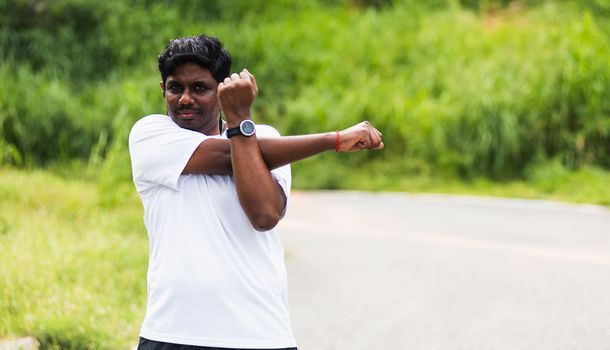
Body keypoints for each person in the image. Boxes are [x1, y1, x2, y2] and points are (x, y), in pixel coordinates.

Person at [128, 34, 384, 350]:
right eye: (174, 87)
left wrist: (238, 122)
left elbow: (264, 214)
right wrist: (333, 139)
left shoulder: (265, 136)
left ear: (224, 91)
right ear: (163, 90)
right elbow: (227, 155)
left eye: (199, 88)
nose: (184, 98)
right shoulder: (150, 135)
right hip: (174, 333)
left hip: (261, 335)